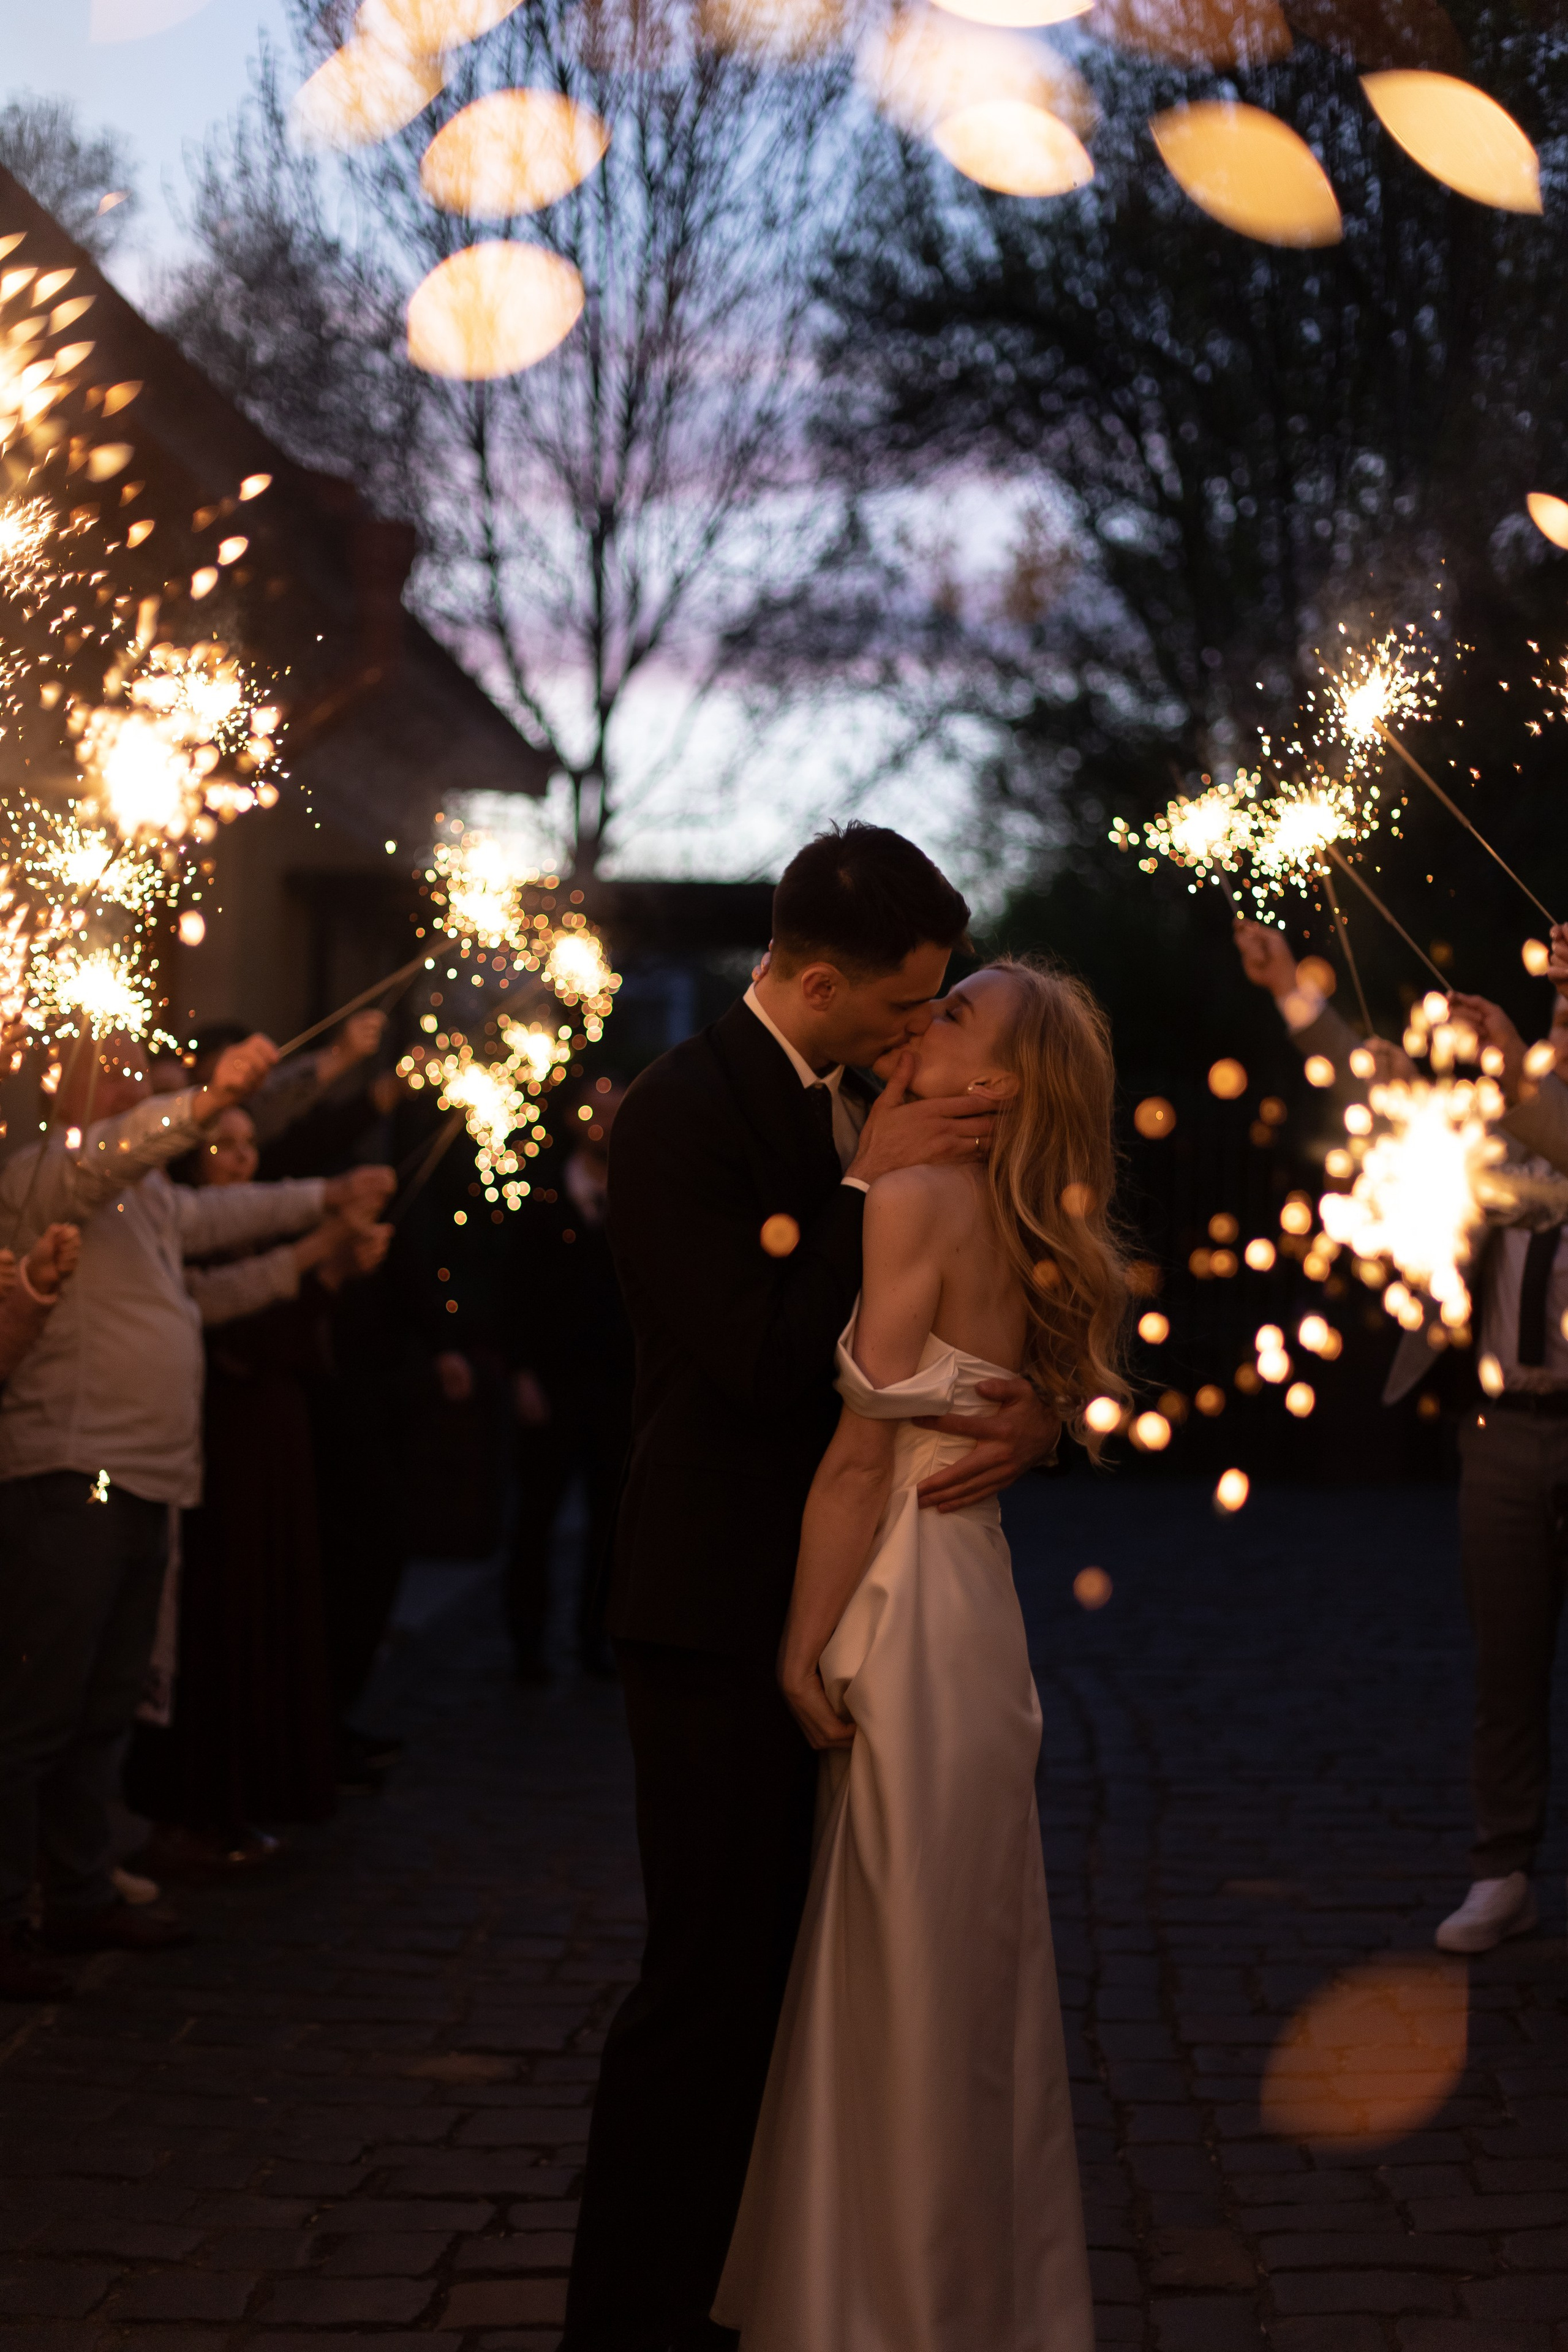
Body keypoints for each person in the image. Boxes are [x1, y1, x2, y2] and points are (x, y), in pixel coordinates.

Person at [564, 824, 1061, 2352]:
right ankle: (635, 2317)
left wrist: (1028, 1407)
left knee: (823, 1982)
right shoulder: (677, 1116)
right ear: (819, 981)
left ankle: (783, 2287)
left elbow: (996, 1294)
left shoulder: (895, 1105)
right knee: (706, 1978)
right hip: (717, 1604)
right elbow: (760, 1360)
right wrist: (859, 1185)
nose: (924, 1036)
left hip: (879, 1596)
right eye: (906, 1009)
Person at [712, 959, 1112, 2351]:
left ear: (989, 1085)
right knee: (959, 1963)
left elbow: (853, 1455)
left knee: (895, 1962)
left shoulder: (908, 1197)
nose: (923, 1015)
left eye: (955, 1012)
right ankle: (957, 2296)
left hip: (899, 1596)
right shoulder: (1017, 1221)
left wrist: (799, 1639)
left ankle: (881, 2306)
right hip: (974, 1612)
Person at [0, 1030, 390, 2001]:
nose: (144, 1080)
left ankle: (80, 1891)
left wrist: (322, 1216)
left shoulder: (148, 1202)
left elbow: (218, 1257)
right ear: (75, 1088)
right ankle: (5, 1916)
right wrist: (210, 1101)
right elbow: (128, 1146)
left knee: (101, 1706)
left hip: (147, 1475)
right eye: (127, 1069)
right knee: (39, 1711)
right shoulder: (45, 1174)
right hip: (72, 1469)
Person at [1236, 921, 1568, 1955]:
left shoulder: (1533, 1107)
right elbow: (1369, 1088)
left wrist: (1516, 1072)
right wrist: (1293, 987)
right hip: (1506, 1431)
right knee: (1505, 1664)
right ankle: (1500, 1869)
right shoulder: (1488, 1118)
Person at [126, 1104, 394, 1870]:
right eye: (224, 1147)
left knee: (266, 1609)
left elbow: (293, 1325)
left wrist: (334, 1266)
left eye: (250, 1146)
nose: (242, 1161)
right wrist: (326, 1247)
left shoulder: (254, 1226)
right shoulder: (179, 1230)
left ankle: (241, 1800)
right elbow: (230, 1312)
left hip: (271, 1439)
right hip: (220, 1442)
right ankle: (192, 1808)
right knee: (218, 1623)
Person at [503, 1075, 633, 1681]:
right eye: (595, 1110)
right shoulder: (538, 1199)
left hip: (616, 1385)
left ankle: (592, 1638)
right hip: (552, 1385)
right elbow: (514, 1293)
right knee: (537, 1515)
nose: (604, 1122)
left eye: (617, 1110)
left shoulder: (640, 1199)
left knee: (611, 1523)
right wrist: (521, 1372)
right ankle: (526, 1641)